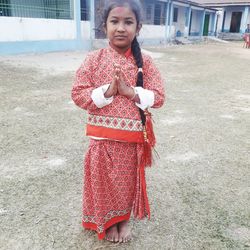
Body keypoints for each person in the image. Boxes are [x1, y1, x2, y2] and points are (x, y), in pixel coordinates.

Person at [71, 0, 165, 243]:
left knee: (125, 185)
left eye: (128, 22)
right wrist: (107, 91)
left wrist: (130, 92)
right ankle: (107, 222)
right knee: (102, 184)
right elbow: (78, 94)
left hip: (131, 141)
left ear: (138, 27)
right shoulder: (94, 59)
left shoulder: (145, 62)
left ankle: (123, 220)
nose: (121, 27)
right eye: (115, 21)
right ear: (104, 27)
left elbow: (159, 97)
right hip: (100, 141)